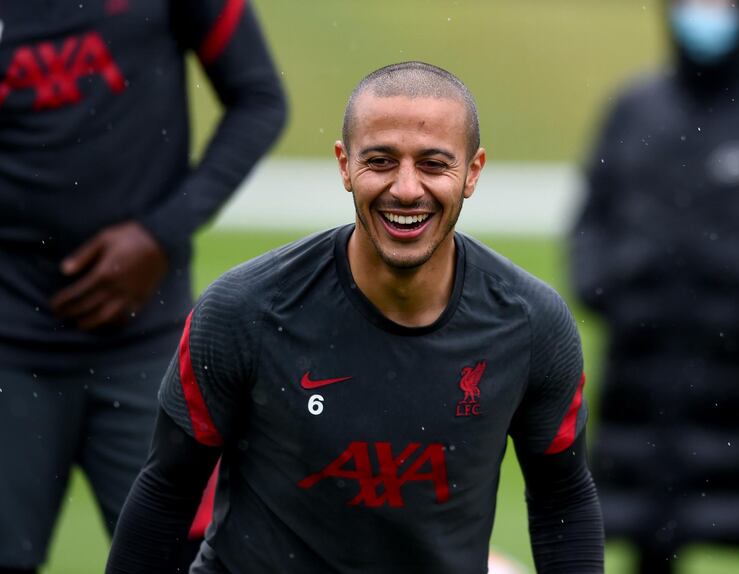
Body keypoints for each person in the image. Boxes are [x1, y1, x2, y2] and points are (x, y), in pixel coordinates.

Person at [105, 61, 604, 574]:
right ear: (344, 165)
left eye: (434, 164)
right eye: (381, 161)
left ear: (472, 172)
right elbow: (166, 492)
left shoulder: (532, 325)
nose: (407, 189)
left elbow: (562, 502)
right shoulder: (244, 310)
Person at [0, 0, 286, 572]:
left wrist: (161, 233)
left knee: (195, 559)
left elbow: (259, 100)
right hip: (7, 346)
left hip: (150, 345)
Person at [571, 0, 739, 572]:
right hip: (643, 389)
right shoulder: (635, 108)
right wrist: (607, 285)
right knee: (650, 543)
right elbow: (590, 220)